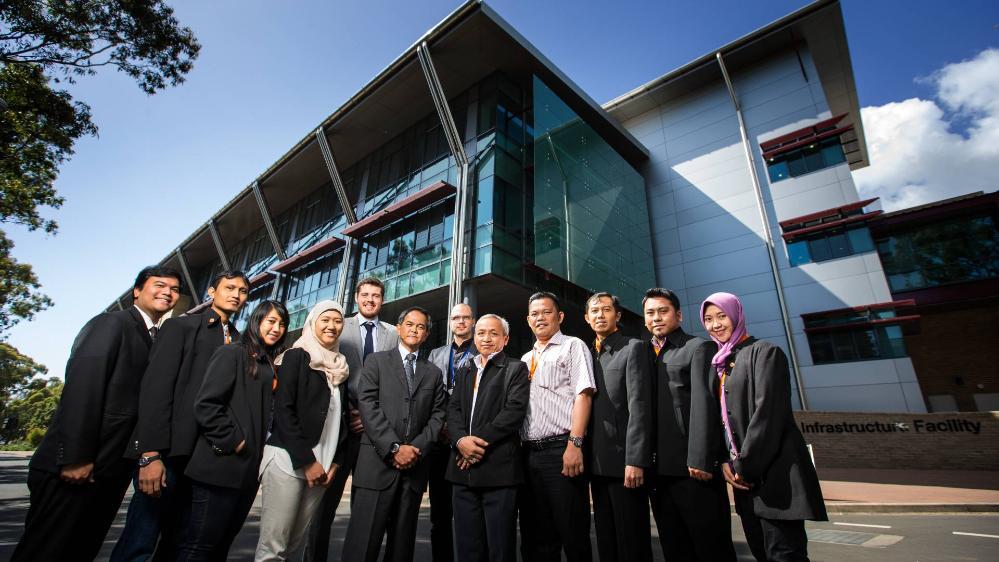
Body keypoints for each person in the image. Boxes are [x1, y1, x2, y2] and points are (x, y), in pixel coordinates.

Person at [12, 266, 182, 562]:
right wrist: (76, 456)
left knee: (79, 550)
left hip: (108, 471)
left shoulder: (154, 337)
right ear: (137, 290)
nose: (167, 292)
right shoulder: (111, 324)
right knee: (47, 551)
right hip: (75, 469)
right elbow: (82, 389)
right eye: (159, 285)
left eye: (174, 289)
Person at [113, 270, 249, 562]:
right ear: (212, 292)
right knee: (139, 543)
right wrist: (150, 455)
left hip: (206, 462)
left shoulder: (240, 343)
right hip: (169, 455)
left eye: (242, 291)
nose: (236, 294)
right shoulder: (181, 327)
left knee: (179, 544)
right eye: (230, 288)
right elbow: (155, 391)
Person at [701, 292, 827, 562]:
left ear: (736, 315)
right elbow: (723, 421)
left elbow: (768, 414)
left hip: (775, 477)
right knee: (760, 552)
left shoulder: (765, 352)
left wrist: (744, 466)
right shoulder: (722, 363)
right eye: (709, 319)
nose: (716, 324)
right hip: (743, 482)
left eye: (722, 316)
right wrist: (724, 459)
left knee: (784, 555)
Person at [173, 300, 289, 561]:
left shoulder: (266, 362)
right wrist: (234, 440)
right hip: (219, 466)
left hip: (246, 472)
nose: (276, 328)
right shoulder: (233, 353)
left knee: (221, 545)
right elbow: (206, 404)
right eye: (271, 321)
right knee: (199, 545)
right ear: (257, 321)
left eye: (282, 324)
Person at [341, 307, 446, 562]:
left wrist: (416, 449)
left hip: (414, 468)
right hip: (377, 464)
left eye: (420, 327)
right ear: (399, 328)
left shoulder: (433, 372)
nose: (414, 329)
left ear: (426, 334)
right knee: (363, 543)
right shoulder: (376, 361)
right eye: (409, 324)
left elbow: (438, 415)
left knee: (401, 547)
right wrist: (394, 448)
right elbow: (368, 406)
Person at [305, 277, 399, 562]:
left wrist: (371, 417)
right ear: (356, 297)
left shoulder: (393, 334)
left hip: (374, 432)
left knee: (366, 507)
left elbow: (393, 382)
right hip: (339, 427)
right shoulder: (337, 326)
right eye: (366, 294)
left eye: (376, 296)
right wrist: (349, 413)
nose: (371, 300)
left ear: (382, 300)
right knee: (325, 504)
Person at [644, 288, 737, 561]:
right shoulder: (644, 352)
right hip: (659, 471)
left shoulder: (697, 347)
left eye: (663, 311)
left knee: (711, 546)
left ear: (679, 315)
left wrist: (700, 458)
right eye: (650, 313)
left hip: (693, 470)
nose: (657, 318)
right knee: (674, 547)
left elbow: (704, 404)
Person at [255, 300, 350, 561]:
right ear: (312, 323)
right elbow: (284, 412)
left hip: (323, 468)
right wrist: (308, 462)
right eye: (325, 320)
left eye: (338, 320)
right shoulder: (297, 356)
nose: (332, 326)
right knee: (273, 548)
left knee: (294, 545)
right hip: (289, 460)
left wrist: (335, 464)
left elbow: (340, 421)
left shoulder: (341, 366)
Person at [519, 291, 596, 562]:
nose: (540, 318)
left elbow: (584, 394)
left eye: (546, 312)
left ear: (560, 316)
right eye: (535, 314)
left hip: (560, 450)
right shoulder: (524, 360)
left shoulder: (573, 346)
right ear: (528, 320)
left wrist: (575, 444)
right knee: (536, 537)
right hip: (528, 455)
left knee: (572, 533)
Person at [446, 314, 530, 562]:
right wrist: (460, 441)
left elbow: (513, 412)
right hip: (462, 472)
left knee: (499, 547)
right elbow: (453, 410)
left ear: (505, 339)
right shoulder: (465, 369)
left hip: (498, 470)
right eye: (481, 332)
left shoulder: (515, 368)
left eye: (494, 333)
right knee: (467, 546)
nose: (486, 338)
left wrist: (473, 444)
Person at [584, 292, 653, 562]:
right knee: (606, 540)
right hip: (596, 464)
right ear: (587, 318)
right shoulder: (587, 354)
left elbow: (640, 407)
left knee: (632, 542)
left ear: (618, 316)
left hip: (624, 464)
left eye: (606, 310)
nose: (600, 315)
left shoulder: (633, 347)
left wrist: (635, 460)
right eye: (595, 311)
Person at [426, 302, 477, 562]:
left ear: (473, 321)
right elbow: (429, 396)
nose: (460, 322)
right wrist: (442, 426)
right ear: (450, 322)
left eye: (465, 318)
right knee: (440, 514)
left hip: (467, 440)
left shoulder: (483, 351)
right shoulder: (436, 354)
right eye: (456, 317)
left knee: (469, 514)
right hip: (438, 441)